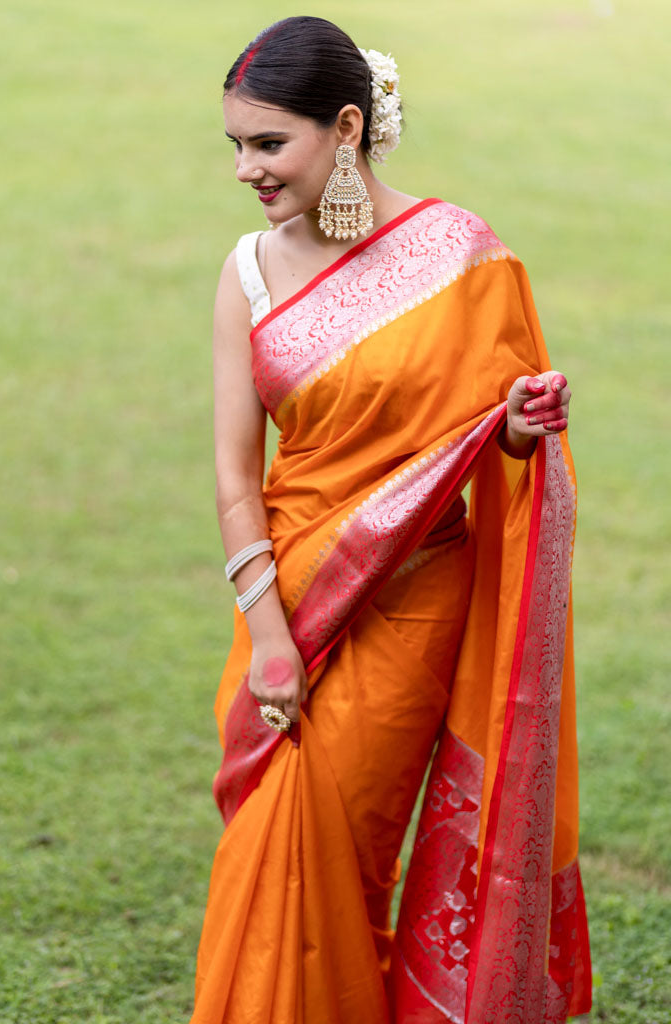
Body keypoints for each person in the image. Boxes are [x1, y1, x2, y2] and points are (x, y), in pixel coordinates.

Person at [192, 16, 591, 1024]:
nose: (246, 168)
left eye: (268, 142)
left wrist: (512, 428)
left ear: (347, 127)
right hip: (288, 595)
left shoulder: (459, 257)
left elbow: (478, 446)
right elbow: (238, 479)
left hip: (412, 601)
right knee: (269, 845)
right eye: (234, 144)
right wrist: (273, 639)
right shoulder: (245, 273)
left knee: (345, 853)